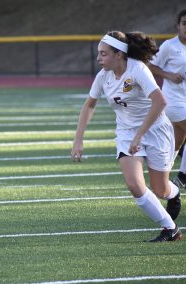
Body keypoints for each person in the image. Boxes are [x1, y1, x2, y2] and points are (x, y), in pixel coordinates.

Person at [71, 31, 182, 242]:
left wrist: (140, 135)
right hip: (126, 133)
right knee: (134, 185)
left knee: (161, 189)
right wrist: (78, 139)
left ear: (119, 55)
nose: (98, 58)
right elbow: (90, 104)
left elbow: (160, 102)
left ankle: (174, 192)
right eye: (98, 54)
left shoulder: (138, 69)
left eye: (103, 54)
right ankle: (170, 228)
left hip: (156, 130)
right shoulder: (103, 76)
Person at [149, 9, 186, 190]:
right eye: (184, 23)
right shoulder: (169, 46)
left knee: (177, 142)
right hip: (173, 101)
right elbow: (151, 66)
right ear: (178, 26)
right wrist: (168, 75)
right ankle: (183, 177)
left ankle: (160, 178)